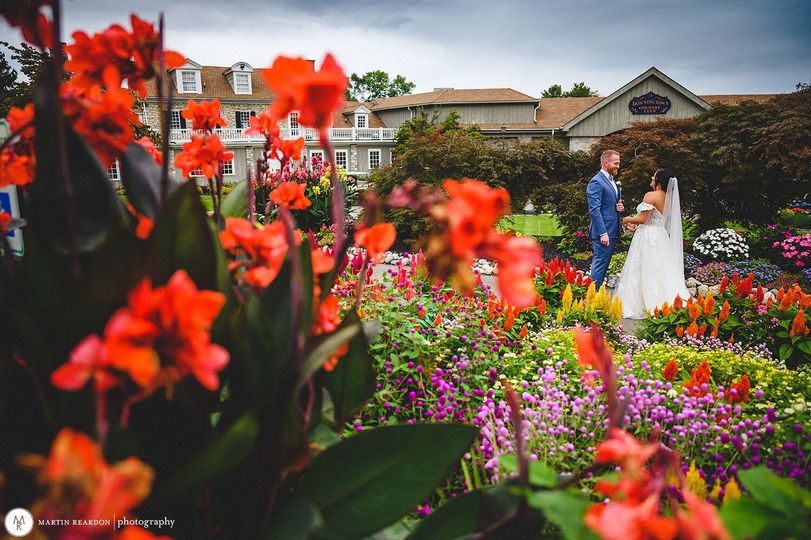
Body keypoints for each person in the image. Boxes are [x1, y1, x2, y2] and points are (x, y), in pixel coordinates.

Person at [614, 168, 691, 319]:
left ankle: (643, 303)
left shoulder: (650, 195)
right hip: (660, 235)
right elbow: (653, 218)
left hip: (647, 236)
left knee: (643, 267)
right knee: (659, 268)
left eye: (654, 176)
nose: (651, 177)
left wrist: (626, 219)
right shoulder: (668, 198)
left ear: (659, 181)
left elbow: (642, 219)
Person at [587, 149, 624, 289]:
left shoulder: (611, 180)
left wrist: (619, 207)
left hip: (612, 230)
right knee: (600, 264)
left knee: (604, 264)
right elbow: (594, 209)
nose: (618, 166)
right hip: (604, 232)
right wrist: (603, 233)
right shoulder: (596, 182)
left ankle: (595, 296)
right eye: (616, 163)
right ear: (605, 163)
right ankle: (591, 297)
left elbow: (607, 205)